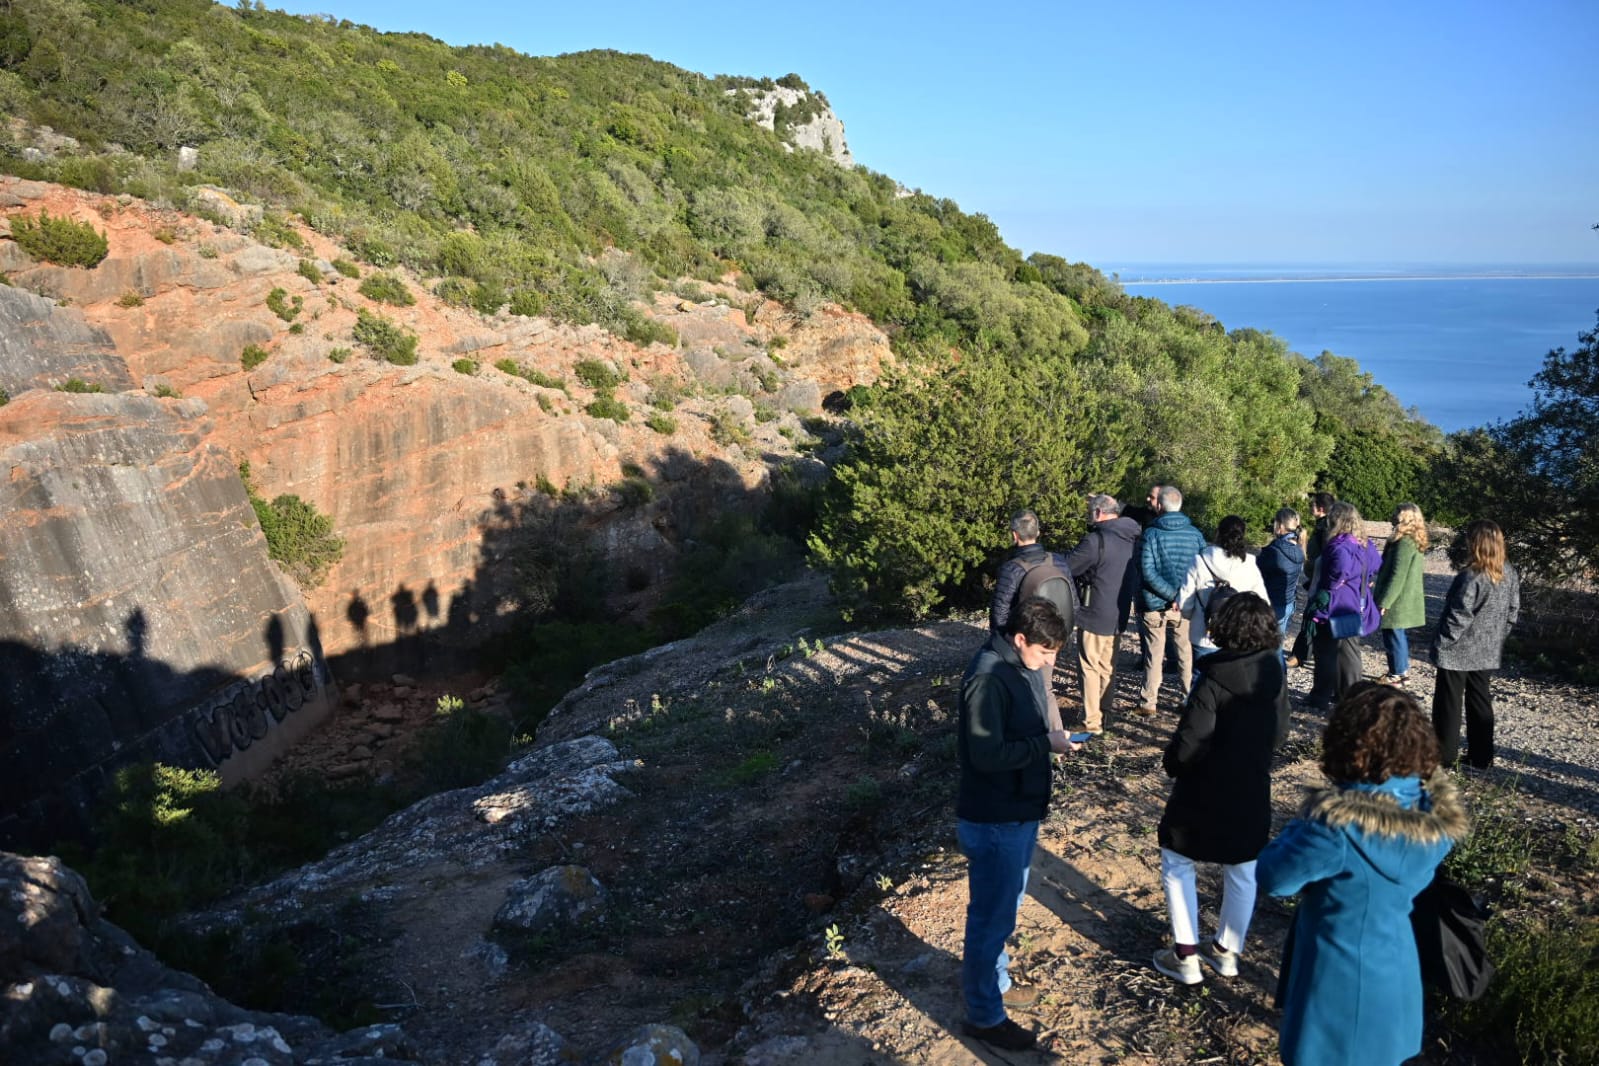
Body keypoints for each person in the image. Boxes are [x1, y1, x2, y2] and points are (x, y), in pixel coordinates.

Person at [1257, 683, 1466, 1066]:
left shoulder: (1337, 826)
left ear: (1348, 742)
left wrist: (1308, 816)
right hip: (1396, 969)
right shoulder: (1431, 813)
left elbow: (1274, 878)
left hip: (1337, 977)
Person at [957, 598, 1079, 1052]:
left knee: (1001, 913)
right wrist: (1043, 744)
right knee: (990, 919)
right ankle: (984, 1016)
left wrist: (1049, 741)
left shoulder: (1018, 668)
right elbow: (985, 755)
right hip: (995, 819)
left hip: (1016, 813)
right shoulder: (988, 678)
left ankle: (998, 984)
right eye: (1046, 653)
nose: (1050, 663)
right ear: (1021, 638)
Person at [1152, 593, 1287, 986]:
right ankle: (1227, 952)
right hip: (1251, 787)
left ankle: (1186, 955)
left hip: (1203, 788)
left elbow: (1192, 739)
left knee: (1177, 860)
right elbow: (1279, 733)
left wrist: (1173, 764)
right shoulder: (1272, 673)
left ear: (1225, 628)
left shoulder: (1214, 676)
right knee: (1243, 868)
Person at [1431, 519, 1520, 769]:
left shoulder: (1471, 576)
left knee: (1448, 703)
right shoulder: (1509, 573)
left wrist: (1442, 643)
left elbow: (1458, 616)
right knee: (1480, 700)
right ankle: (1482, 756)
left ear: (1476, 543)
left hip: (1457, 650)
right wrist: (1497, 636)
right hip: (1487, 648)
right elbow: (1513, 612)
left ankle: (1443, 756)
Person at [1062, 494, 1141, 735]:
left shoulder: (1095, 540)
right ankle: (1106, 714)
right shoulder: (1133, 535)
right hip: (1119, 610)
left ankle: (1092, 722)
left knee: (1089, 667)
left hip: (1095, 610)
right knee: (1108, 666)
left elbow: (1070, 566)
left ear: (1098, 513)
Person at [1136, 486, 1207, 714]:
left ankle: (1149, 702)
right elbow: (1203, 570)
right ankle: (1189, 698)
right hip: (1185, 604)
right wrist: (1181, 596)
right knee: (1185, 653)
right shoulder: (1196, 535)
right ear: (1180, 504)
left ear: (1160, 505)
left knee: (1154, 654)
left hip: (1155, 603)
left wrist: (1169, 595)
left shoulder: (1151, 534)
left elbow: (1147, 571)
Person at [1305, 502, 1381, 711]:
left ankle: (1321, 696)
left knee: (1326, 651)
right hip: (1355, 603)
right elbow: (1375, 565)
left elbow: (1340, 569)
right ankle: (1349, 696)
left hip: (1335, 604)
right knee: (1349, 651)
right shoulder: (1365, 544)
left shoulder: (1339, 544)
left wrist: (1331, 585)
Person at [1177, 515, 1269, 657]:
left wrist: (1191, 616)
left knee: (1200, 676)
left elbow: (1185, 601)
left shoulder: (1200, 560)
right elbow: (1263, 602)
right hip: (1238, 634)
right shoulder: (1249, 564)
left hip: (1203, 634)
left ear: (1218, 533)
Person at [990, 509, 1074, 636]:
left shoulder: (1011, 569)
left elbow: (999, 613)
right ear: (1038, 532)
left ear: (1014, 535)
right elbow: (1074, 602)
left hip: (1026, 638)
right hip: (1056, 634)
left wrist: (1001, 641)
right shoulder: (1058, 561)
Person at [1373, 503, 1429, 686]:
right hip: (1402, 597)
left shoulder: (1405, 542)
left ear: (1403, 517)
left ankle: (1396, 673)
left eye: (1396, 513)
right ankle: (1401, 671)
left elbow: (1398, 574)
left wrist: (1385, 601)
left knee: (1393, 634)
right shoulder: (1411, 539)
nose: (1392, 515)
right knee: (1398, 634)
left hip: (1397, 598)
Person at [1286, 492, 1336, 668]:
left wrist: (1303, 545)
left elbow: (1324, 556)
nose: (1309, 508)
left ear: (1320, 508)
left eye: (1312, 505)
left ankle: (1300, 655)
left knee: (1311, 615)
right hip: (1319, 576)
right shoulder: (1324, 524)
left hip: (1321, 578)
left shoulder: (1327, 527)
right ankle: (1308, 652)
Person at [1257, 508, 1306, 639]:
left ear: (1280, 526)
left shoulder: (1273, 550)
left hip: (1272, 604)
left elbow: (1257, 573)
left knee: (1264, 648)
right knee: (1277, 645)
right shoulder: (1299, 550)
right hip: (1288, 603)